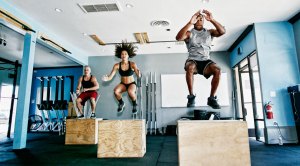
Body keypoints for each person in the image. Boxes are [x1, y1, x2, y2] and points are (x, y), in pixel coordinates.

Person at [176, 9, 226, 109]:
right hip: (193, 60)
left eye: (201, 18)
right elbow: (178, 37)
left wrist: (212, 20)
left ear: (204, 21)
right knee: (190, 67)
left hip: (206, 61)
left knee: (218, 70)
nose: (199, 19)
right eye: (197, 17)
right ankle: (191, 97)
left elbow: (222, 31)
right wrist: (189, 23)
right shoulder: (189, 33)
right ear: (194, 20)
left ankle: (212, 98)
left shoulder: (209, 32)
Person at [102, 42, 141, 114]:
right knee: (116, 91)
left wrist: (139, 74)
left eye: (125, 54)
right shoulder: (117, 65)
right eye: (122, 54)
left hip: (131, 83)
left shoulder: (132, 64)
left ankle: (134, 104)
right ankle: (121, 103)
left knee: (130, 92)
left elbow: (138, 74)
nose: (124, 55)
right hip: (123, 84)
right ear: (120, 56)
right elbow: (111, 76)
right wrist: (106, 79)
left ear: (128, 55)